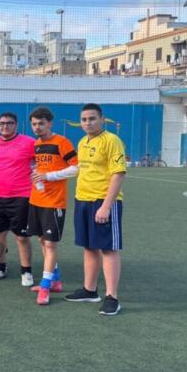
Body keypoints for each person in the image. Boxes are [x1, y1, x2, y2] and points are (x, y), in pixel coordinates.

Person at [65, 103, 126, 316]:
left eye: (92, 119)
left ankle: (112, 297)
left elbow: (118, 174)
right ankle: (90, 290)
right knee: (89, 247)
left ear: (102, 119)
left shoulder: (112, 140)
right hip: (83, 200)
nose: (88, 123)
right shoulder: (82, 142)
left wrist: (106, 206)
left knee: (108, 248)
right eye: (84, 119)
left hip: (103, 201)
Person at [26, 107, 79, 305]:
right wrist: (37, 176)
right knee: (42, 240)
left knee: (50, 244)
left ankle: (45, 286)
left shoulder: (62, 142)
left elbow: (76, 168)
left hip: (54, 201)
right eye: (34, 124)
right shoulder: (36, 144)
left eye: (41, 123)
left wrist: (49, 176)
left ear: (50, 123)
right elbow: (37, 167)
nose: (37, 127)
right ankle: (55, 280)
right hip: (37, 199)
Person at [0, 112, 36, 286]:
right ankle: (0, 268)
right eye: (2, 123)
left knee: (21, 236)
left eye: (9, 123)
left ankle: (26, 271)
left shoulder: (29, 142)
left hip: (21, 196)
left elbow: (41, 162)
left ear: (16, 125)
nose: (5, 126)